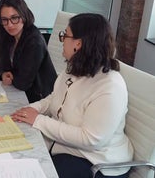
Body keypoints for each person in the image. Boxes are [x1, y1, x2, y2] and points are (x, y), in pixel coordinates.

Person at [11, 13, 133, 178]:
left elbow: (90, 139)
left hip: (98, 163)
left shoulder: (110, 86)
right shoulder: (74, 69)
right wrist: (30, 109)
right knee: (18, 157)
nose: (62, 40)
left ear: (78, 44)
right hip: (68, 148)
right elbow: (54, 98)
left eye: (64, 35)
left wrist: (38, 120)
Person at [0, 0, 57, 103]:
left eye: (14, 18)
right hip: (20, 93)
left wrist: (11, 76)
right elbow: (0, 62)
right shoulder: (8, 34)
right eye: (4, 20)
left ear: (24, 16)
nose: (10, 25)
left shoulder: (34, 42)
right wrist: (3, 73)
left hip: (40, 98)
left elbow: (23, 83)